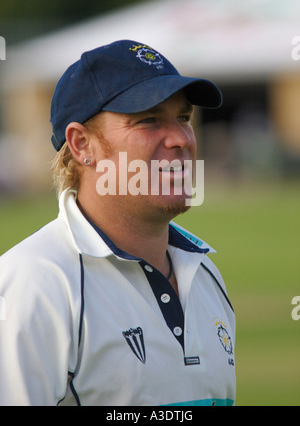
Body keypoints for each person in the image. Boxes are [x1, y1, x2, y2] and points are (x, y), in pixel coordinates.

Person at [0, 40, 235, 406]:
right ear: (81, 145)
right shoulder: (35, 285)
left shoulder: (206, 275)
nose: (180, 139)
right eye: (149, 120)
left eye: (184, 118)